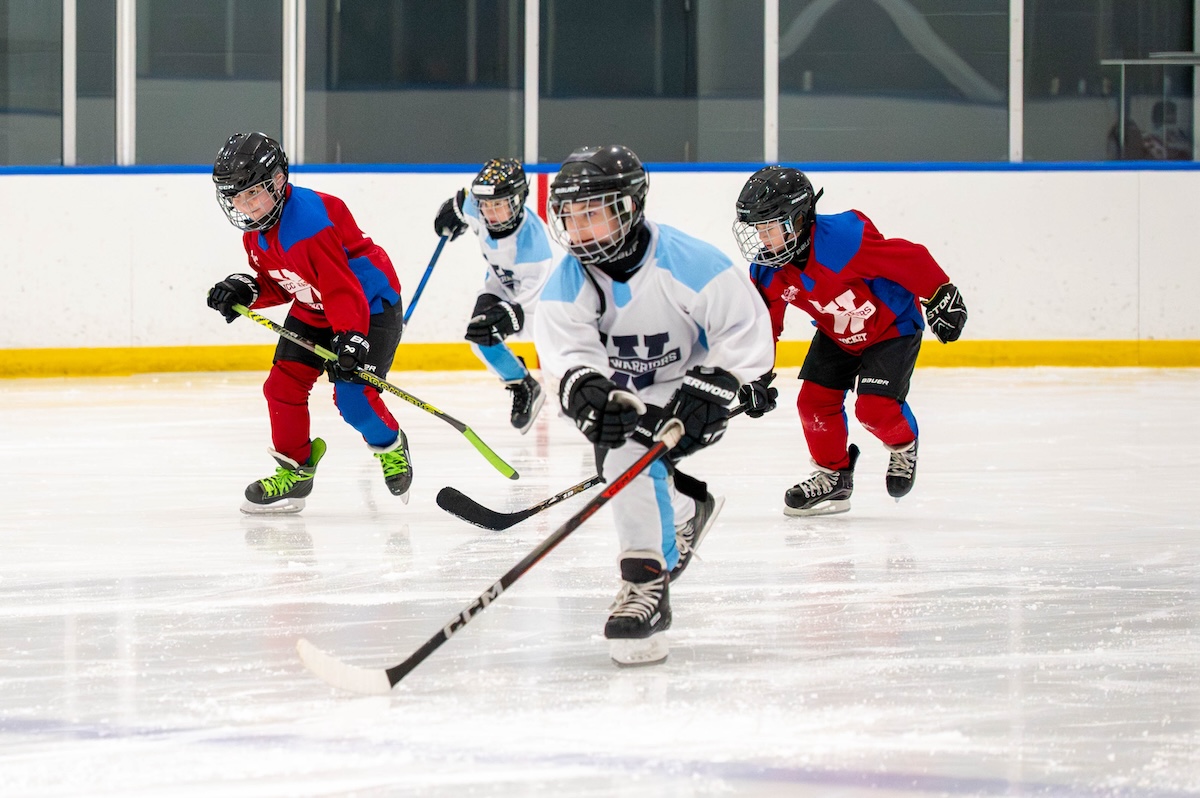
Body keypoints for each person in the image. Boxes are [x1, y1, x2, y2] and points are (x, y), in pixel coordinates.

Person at [535, 145, 774, 666]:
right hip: (627, 390)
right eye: (569, 217)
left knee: (626, 458)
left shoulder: (692, 263)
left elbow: (745, 331)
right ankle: (689, 509)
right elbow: (567, 356)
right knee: (622, 457)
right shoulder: (565, 285)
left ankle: (645, 586)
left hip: (692, 386)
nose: (578, 230)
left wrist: (720, 384)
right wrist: (584, 390)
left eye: (591, 213)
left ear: (629, 206)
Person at [732, 165, 968, 517]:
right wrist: (756, 376)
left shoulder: (845, 240)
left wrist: (940, 294)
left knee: (873, 409)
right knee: (812, 404)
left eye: (771, 229)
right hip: (837, 332)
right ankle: (834, 476)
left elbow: (909, 257)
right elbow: (764, 324)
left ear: (799, 220)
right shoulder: (769, 269)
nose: (763, 241)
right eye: (758, 230)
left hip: (891, 325)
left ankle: (903, 446)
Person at [206, 132, 412, 513]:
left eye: (252, 193)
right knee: (281, 387)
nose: (245, 205)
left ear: (279, 181)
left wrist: (351, 336)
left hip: (368, 306)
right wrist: (246, 290)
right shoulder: (257, 233)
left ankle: (390, 444)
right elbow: (287, 283)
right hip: (315, 304)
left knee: (352, 399)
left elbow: (340, 287)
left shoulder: (309, 225)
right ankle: (297, 471)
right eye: (236, 196)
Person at [433, 158, 559, 433]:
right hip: (499, 286)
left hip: (544, 307)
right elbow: (467, 202)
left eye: (498, 205)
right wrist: (454, 211)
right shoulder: (478, 208)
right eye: (485, 205)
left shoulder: (535, 252)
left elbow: (527, 308)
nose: (489, 213)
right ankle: (522, 384)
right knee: (480, 336)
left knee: (565, 375)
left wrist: (503, 319)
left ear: (517, 201)